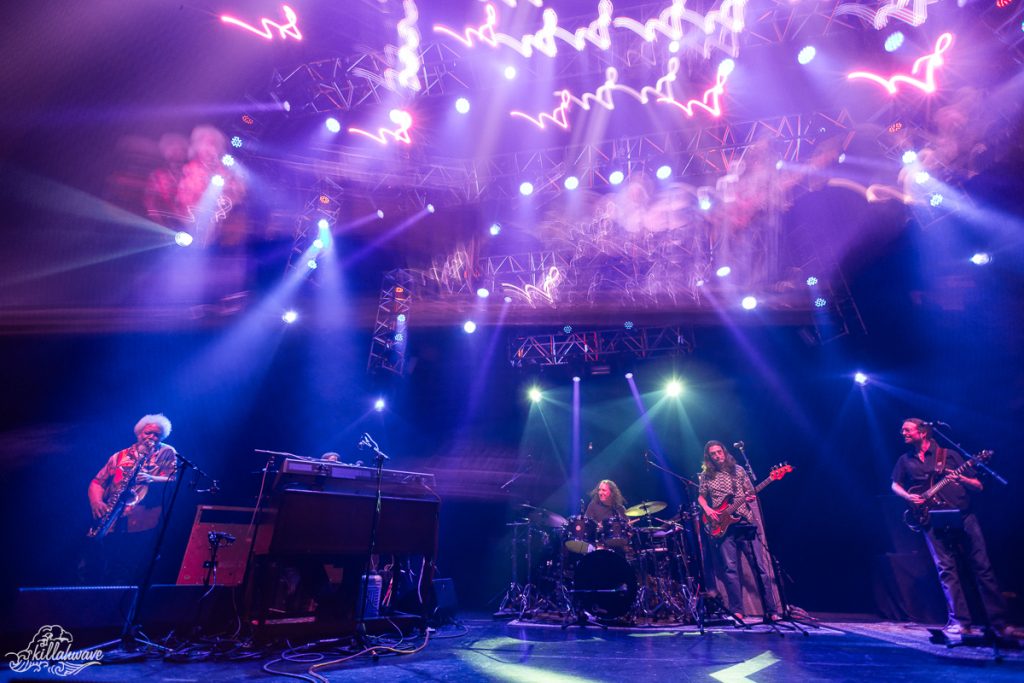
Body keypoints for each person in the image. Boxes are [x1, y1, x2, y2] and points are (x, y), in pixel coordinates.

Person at [891, 418, 1019, 638]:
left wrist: (962, 479)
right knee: (946, 569)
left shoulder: (948, 454)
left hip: (962, 515)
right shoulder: (905, 459)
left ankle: (999, 623)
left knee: (982, 566)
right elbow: (894, 484)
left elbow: (978, 486)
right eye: (902, 430)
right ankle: (960, 622)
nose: (903, 433)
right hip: (932, 518)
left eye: (907, 430)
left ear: (922, 432)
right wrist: (908, 497)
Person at [83, 414, 178, 583]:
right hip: (113, 518)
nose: (151, 437)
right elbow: (97, 482)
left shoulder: (167, 452)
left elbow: (174, 479)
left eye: (156, 435)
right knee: (99, 566)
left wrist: (152, 478)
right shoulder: (119, 456)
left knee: (127, 568)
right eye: (148, 433)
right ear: (139, 433)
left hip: (143, 521)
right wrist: (96, 502)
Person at [697, 440, 779, 623]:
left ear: (724, 452)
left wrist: (750, 496)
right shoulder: (706, 476)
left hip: (745, 522)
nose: (717, 456)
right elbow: (701, 497)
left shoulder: (739, 470)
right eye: (713, 454)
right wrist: (708, 509)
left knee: (760, 568)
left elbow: (750, 492)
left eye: (719, 452)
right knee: (730, 569)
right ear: (709, 457)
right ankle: (737, 611)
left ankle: (771, 610)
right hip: (722, 525)